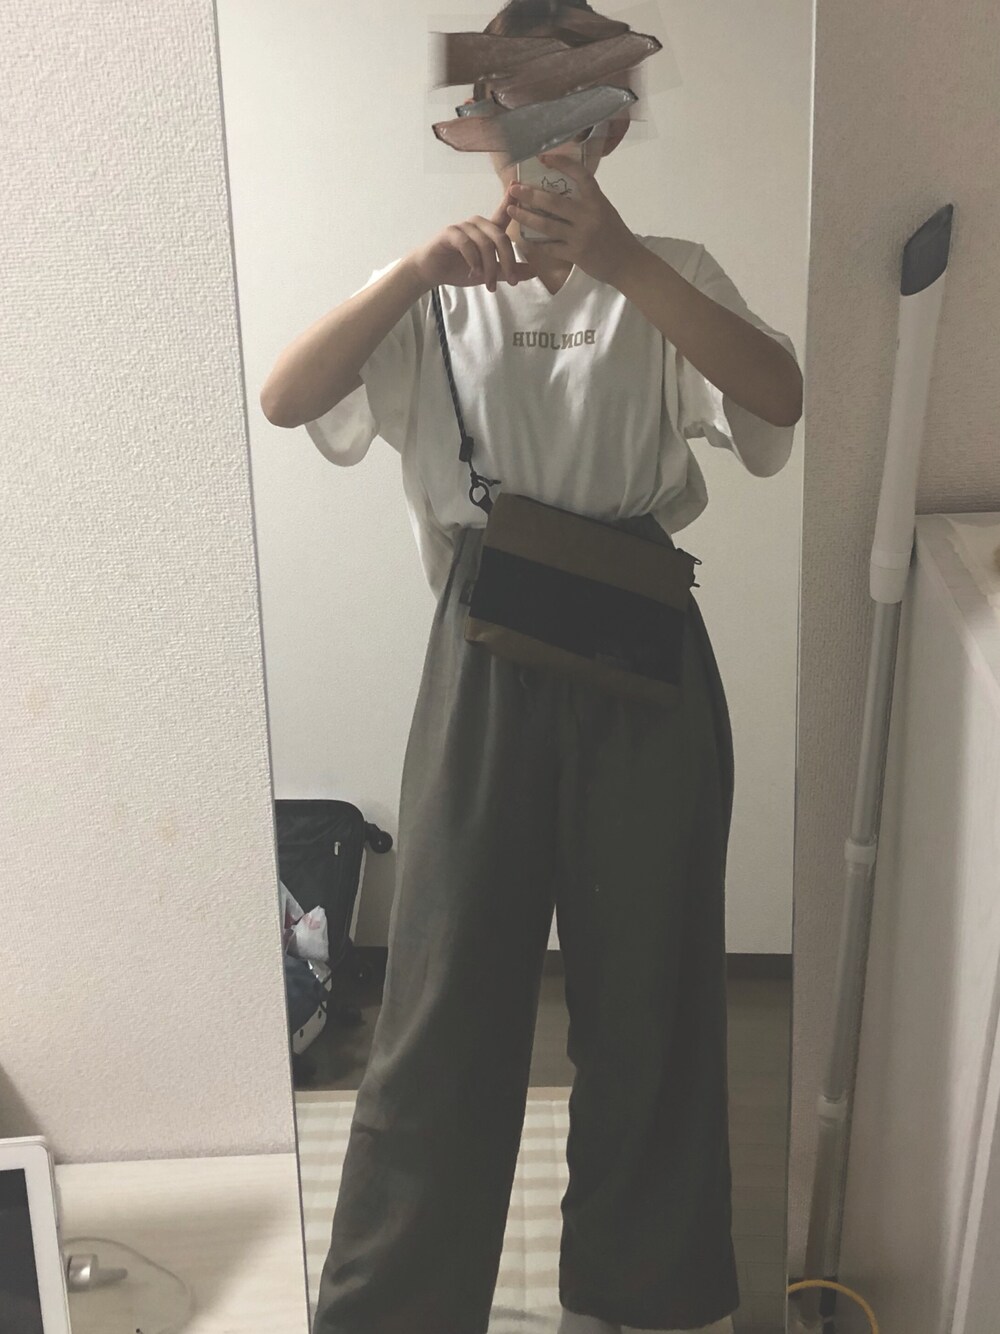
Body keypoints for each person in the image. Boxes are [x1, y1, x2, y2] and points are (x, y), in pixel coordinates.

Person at [261, 3, 803, 1331]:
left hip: (643, 645)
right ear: (487, 137)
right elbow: (286, 397)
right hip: (485, 648)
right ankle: (396, 1305)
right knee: (445, 988)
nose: (540, 152)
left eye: (570, 124)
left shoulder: (671, 269)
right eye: (514, 124)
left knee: (651, 989)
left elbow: (778, 397)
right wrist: (412, 271)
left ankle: (641, 1298)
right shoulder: (437, 287)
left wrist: (621, 262)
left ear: (609, 134)